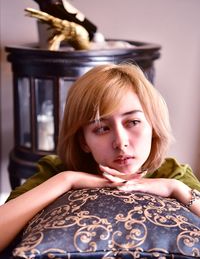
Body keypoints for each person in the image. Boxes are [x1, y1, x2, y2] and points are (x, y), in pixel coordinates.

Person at [0, 63, 200, 253]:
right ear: (83, 141)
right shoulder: (56, 171)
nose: (120, 142)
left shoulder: (173, 173)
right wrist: (68, 179)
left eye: (133, 122)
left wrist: (176, 188)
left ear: (153, 127)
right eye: (102, 128)